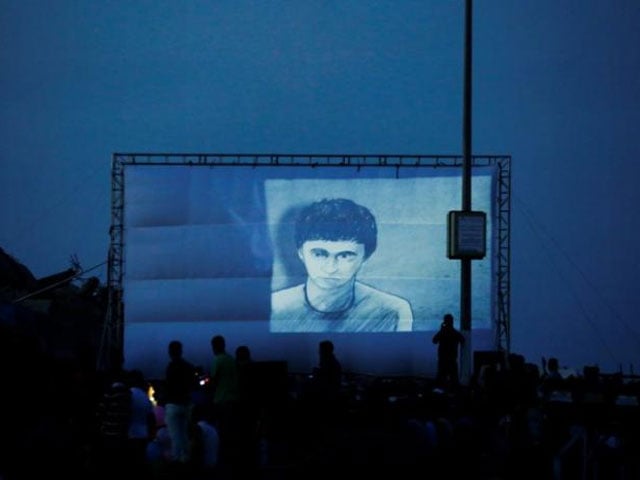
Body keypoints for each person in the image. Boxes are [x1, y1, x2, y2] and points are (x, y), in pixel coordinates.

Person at [270, 197, 414, 332]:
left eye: (345, 255)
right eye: (319, 254)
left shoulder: (392, 311)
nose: (330, 268)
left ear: (366, 256)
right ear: (301, 252)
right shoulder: (273, 308)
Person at [164, 340, 197, 465]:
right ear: (181, 351)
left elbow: (168, 386)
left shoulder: (170, 367)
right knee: (184, 435)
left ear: (170, 352)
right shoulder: (188, 366)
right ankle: (186, 459)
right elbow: (194, 384)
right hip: (186, 404)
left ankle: (177, 461)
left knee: (175, 436)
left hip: (173, 404)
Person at [432, 313, 465, 388]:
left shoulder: (442, 332)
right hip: (452, 360)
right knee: (454, 381)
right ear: (452, 322)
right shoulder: (455, 333)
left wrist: (441, 330)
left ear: (444, 322)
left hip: (443, 360)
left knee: (440, 381)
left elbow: (434, 340)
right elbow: (463, 340)